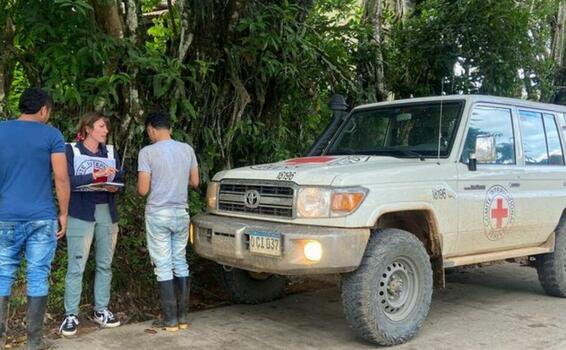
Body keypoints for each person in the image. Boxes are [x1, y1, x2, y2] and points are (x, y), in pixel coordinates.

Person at [0, 88, 70, 350]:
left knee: (2, 274)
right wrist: (63, 213)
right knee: (38, 275)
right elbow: (61, 178)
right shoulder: (51, 135)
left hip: (5, 216)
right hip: (41, 217)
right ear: (43, 110)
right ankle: (34, 342)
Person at [58, 112, 123, 336]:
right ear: (87, 128)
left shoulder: (111, 151)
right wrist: (94, 176)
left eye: (106, 127)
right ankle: (70, 314)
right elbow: (66, 180)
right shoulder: (72, 150)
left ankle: (101, 310)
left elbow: (121, 177)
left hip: (106, 210)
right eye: (101, 126)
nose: (106, 131)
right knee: (76, 265)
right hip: (80, 211)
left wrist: (114, 184)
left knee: (105, 264)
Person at [137, 111, 199, 332]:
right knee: (180, 261)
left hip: (158, 214)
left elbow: (143, 190)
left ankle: (170, 320)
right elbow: (195, 181)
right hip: (181, 213)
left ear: (151, 129)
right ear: (170, 128)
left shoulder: (147, 152)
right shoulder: (187, 149)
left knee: (163, 266)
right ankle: (182, 318)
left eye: (149, 131)